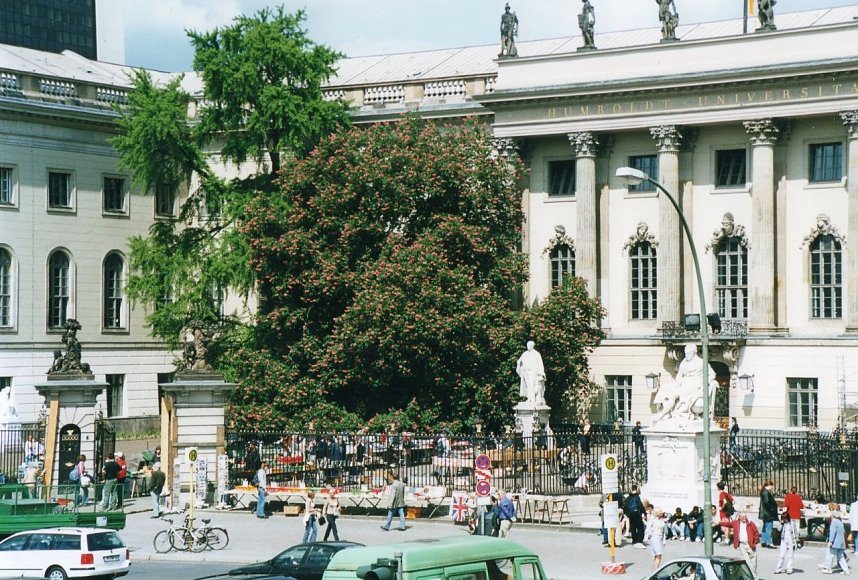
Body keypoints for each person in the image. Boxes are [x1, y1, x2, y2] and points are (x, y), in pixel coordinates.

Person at [821, 510, 850, 574]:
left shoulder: (834, 522)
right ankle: (846, 570)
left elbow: (832, 532)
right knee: (841, 556)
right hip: (841, 542)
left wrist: (830, 541)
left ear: (833, 516)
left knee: (830, 555)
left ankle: (828, 568)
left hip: (835, 542)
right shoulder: (840, 522)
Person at [731, 512, 760, 576]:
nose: (745, 518)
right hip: (742, 545)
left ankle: (750, 575)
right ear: (740, 517)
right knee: (747, 562)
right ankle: (755, 577)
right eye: (743, 517)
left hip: (750, 544)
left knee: (753, 562)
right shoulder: (736, 523)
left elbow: (756, 533)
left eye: (745, 516)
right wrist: (719, 523)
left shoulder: (750, 523)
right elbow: (728, 524)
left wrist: (755, 541)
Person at [759, 480, 778, 548]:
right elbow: (767, 503)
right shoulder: (766, 493)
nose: (772, 487)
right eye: (772, 486)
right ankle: (769, 542)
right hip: (768, 513)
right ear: (769, 485)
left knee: (765, 527)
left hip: (764, 513)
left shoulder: (763, 492)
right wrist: (772, 509)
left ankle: (763, 541)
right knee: (769, 527)